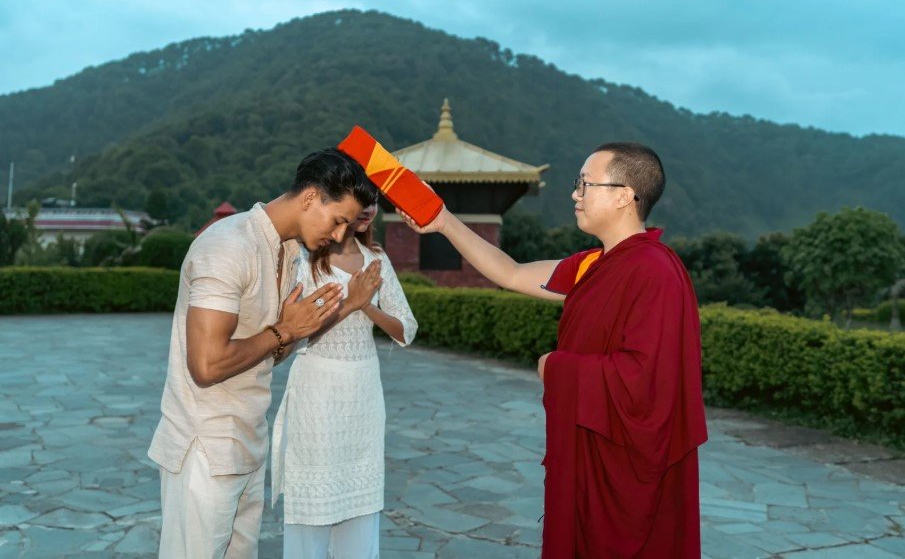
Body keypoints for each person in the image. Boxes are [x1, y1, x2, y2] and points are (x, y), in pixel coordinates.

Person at [398, 142, 708, 558]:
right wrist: (444, 221)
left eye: (585, 184)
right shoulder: (591, 265)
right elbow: (511, 273)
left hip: (628, 468)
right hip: (590, 445)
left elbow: (649, 381)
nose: (575, 194)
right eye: (576, 184)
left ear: (623, 195)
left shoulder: (654, 270)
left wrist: (556, 368)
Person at [148, 148, 378, 558]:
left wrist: (311, 322)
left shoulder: (288, 253)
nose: (341, 235)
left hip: (247, 443)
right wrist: (285, 329)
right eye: (339, 220)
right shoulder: (228, 246)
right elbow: (205, 364)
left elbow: (272, 351)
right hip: (204, 445)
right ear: (310, 198)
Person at [271, 200, 417, 559]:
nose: (367, 209)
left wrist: (367, 305)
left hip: (363, 389)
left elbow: (407, 329)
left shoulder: (377, 261)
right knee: (314, 503)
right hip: (317, 385)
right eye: (359, 200)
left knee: (359, 503)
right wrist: (350, 302)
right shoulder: (305, 259)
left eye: (373, 202)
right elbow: (297, 335)